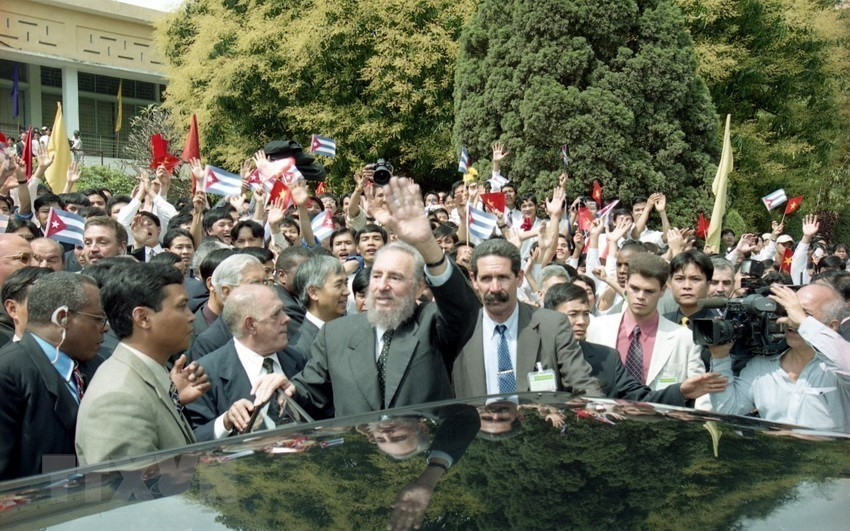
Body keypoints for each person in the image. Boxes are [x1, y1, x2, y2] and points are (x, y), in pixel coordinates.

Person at [286, 178, 481, 417]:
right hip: (359, 452)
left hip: (421, 449)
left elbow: (463, 308)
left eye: (396, 278)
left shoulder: (431, 323)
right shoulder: (335, 333)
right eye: (377, 276)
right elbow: (308, 393)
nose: (382, 286)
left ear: (420, 287)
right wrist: (285, 389)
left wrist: (426, 243)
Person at [75, 263, 206, 465]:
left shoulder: (152, 372)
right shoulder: (117, 398)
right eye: (181, 306)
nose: (190, 316)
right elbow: (132, 491)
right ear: (143, 318)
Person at [452, 239, 602, 398]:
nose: (495, 288)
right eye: (486, 278)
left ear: (519, 277)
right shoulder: (458, 330)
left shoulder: (552, 325)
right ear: (474, 280)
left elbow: (583, 383)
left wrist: (596, 408)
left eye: (503, 277)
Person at [544, 283, 726, 405]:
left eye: (585, 313)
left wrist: (682, 391)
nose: (582, 321)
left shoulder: (606, 358)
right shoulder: (527, 350)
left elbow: (641, 398)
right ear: (550, 315)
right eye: (573, 314)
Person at [0, 273, 106, 479]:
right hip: (40, 506)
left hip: (96, 499)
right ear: (62, 318)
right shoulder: (9, 372)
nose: (105, 327)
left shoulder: (96, 363)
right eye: (98, 319)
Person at [709, 284, 850, 432]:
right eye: (788, 311)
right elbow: (727, 410)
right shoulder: (762, 366)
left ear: (832, 326)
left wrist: (803, 323)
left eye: (804, 313)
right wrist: (720, 358)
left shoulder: (836, 368)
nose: (790, 319)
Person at [585, 253, 708, 408]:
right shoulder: (597, 328)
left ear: (663, 290)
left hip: (663, 426)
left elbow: (700, 395)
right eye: (635, 288)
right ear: (626, 285)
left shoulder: (684, 338)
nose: (640, 296)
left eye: (649, 291)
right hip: (605, 423)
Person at [186, 285, 306, 441]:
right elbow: (192, 440)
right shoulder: (206, 372)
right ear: (250, 325)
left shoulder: (296, 357)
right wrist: (225, 422)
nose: (286, 318)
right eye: (276, 314)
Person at [188, 254, 268, 361]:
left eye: (265, 282)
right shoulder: (204, 340)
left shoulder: (267, 323)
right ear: (226, 291)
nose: (264, 290)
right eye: (255, 283)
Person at [290, 255, 349, 355]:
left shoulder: (350, 329)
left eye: (346, 283)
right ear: (313, 292)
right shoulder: (300, 348)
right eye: (338, 285)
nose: (347, 292)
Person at [1, 266, 53, 344]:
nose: (53, 309)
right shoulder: (5, 355)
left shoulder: (75, 352)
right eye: (42, 302)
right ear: (13, 309)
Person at [273, 246, 313, 336]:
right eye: (305, 273)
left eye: (314, 272)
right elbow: (308, 341)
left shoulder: (286, 296)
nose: (312, 278)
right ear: (282, 276)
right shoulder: (286, 307)